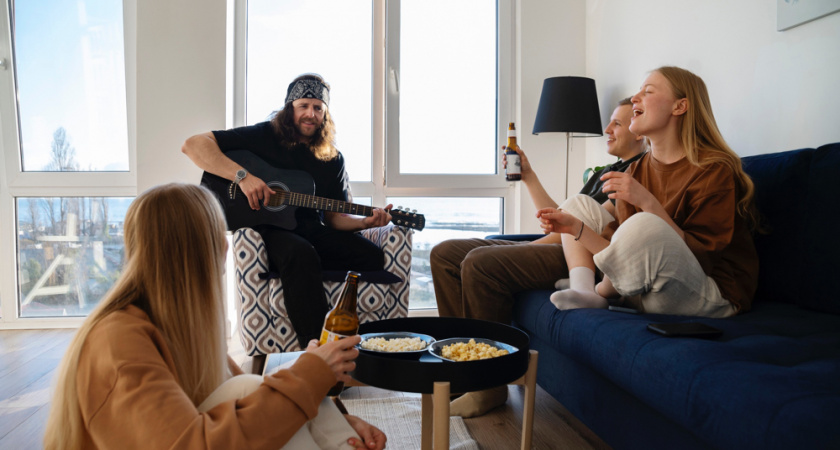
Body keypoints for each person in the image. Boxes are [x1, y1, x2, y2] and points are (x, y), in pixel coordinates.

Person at [43, 183, 387, 450]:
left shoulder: (174, 326)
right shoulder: (117, 340)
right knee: (248, 386)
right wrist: (312, 374)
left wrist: (335, 420)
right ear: (209, 250)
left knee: (260, 393)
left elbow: (261, 406)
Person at [429, 98, 647, 418]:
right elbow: (563, 216)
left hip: (581, 255)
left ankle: (487, 386)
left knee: (478, 262)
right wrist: (529, 175)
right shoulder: (604, 172)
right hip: (555, 242)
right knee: (445, 254)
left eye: (617, 123)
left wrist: (537, 244)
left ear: (639, 132)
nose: (607, 129)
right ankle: (461, 368)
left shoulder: (637, 176)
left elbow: (593, 231)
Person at [182, 74, 392, 349]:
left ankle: (370, 344)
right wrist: (243, 177)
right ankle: (317, 349)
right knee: (299, 254)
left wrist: (365, 223)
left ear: (325, 114)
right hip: (270, 229)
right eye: (304, 105)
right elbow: (193, 145)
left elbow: (334, 217)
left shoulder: (331, 158)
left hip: (311, 230)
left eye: (318, 108)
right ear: (290, 107)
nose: (310, 114)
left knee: (372, 257)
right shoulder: (263, 136)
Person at [538, 66, 758, 318]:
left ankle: (601, 292)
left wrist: (647, 202)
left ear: (679, 107)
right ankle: (585, 291)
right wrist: (575, 228)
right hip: (644, 283)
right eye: (638, 92)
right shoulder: (636, 169)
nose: (634, 98)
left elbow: (704, 258)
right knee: (577, 205)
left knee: (644, 224)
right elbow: (615, 252)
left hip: (710, 291)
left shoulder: (713, 170)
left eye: (648, 91)